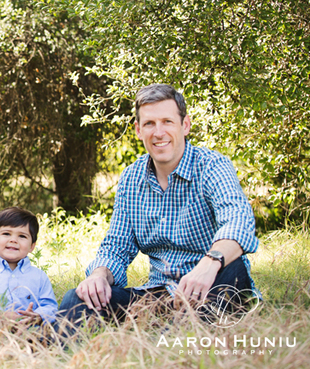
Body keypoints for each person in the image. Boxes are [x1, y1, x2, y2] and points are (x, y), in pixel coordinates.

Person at [57, 84, 259, 327]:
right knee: (78, 298)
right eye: (150, 124)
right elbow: (117, 246)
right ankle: (49, 352)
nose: (159, 132)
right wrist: (99, 275)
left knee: (230, 271)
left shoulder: (212, 166)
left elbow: (238, 221)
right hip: (159, 295)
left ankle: (184, 336)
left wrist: (209, 263)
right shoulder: (131, 178)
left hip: (213, 281)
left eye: (167, 121)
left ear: (185, 125)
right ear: (138, 130)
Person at [0, 207, 58, 324]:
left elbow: (50, 306)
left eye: (22, 236)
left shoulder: (39, 276)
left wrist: (37, 316)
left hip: (28, 330)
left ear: (32, 246)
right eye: (6, 234)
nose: (13, 240)